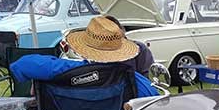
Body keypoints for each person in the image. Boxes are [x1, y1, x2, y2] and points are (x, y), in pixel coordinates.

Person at [10, 16, 158, 98]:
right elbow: (153, 100)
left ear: (85, 48)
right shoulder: (137, 83)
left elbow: (21, 65)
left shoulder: (68, 70)